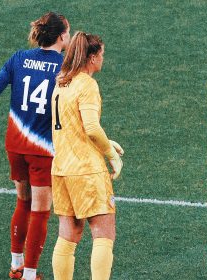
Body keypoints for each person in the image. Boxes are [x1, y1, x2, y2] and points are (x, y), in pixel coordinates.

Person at [0, 12, 70, 280]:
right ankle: (30, 274)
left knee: (22, 202)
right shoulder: (65, 67)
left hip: (15, 145)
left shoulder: (18, 59)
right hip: (43, 150)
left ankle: (16, 265)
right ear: (62, 36)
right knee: (41, 213)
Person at [50, 31, 123, 280]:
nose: (103, 59)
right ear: (92, 57)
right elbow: (91, 128)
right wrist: (110, 152)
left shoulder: (62, 83)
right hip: (86, 169)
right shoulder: (87, 84)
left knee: (68, 235)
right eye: (101, 54)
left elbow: (74, 126)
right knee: (104, 233)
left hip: (61, 168)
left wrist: (106, 139)